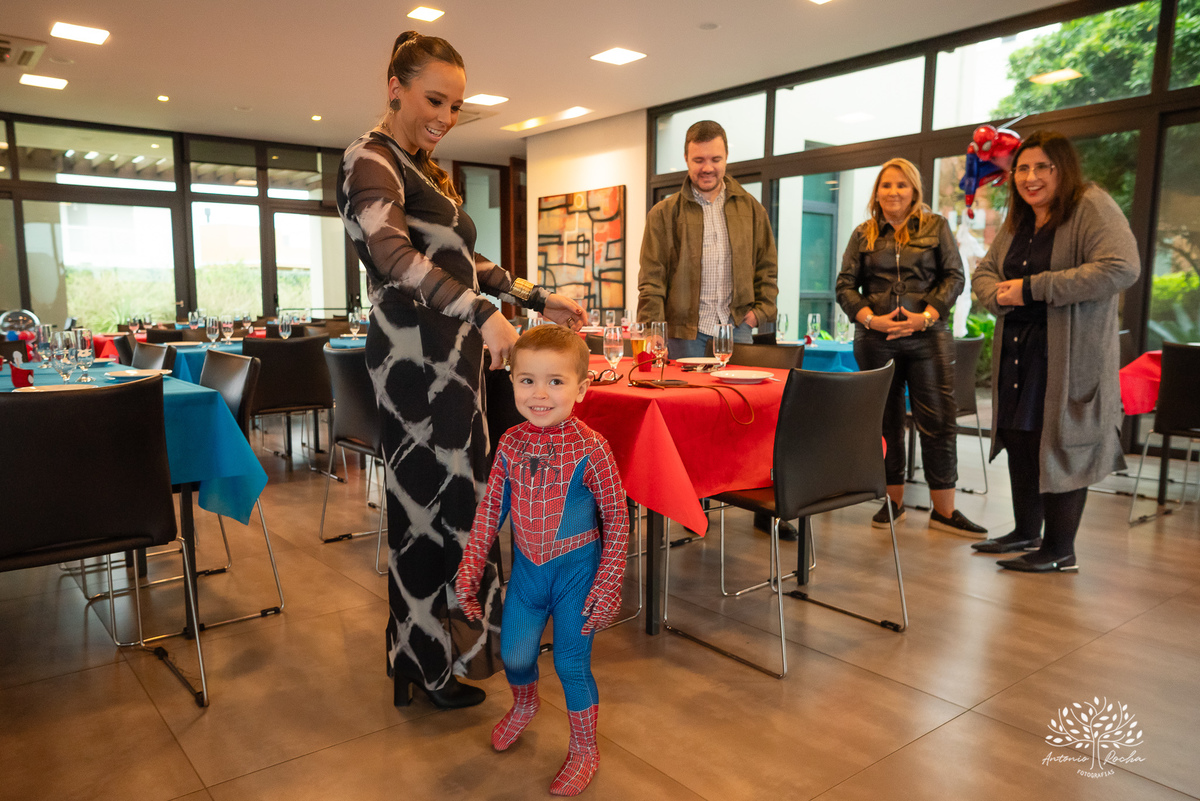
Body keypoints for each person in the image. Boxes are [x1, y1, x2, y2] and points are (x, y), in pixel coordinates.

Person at [336, 31, 585, 710]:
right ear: (395, 87)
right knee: (421, 509)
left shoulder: (430, 169)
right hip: (413, 357)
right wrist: (482, 314)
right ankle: (422, 659)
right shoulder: (370, 157)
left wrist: (536, 299)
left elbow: (462, 261)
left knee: (464, 509)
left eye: (456, 105)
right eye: (434, 99)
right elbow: (392, 254)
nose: (446, 117)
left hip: (457, 359)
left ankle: (449, 649)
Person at [456, 326, 629, 796]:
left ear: (582, 387)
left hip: (579, 576)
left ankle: (585, 749)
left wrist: (608, 583)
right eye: (526, 380)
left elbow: (617, 515)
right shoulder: (511, 443)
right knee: (514, 654)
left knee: (572, 666)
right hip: (530, 575)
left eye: (555, 381)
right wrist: (470, 571)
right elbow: (492, 508)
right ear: (511, 382)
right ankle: (525, 704)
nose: (539, 393)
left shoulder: (593, 449)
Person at [971, 131, 1139, 572]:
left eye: (1041, 167)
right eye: (1022, 168)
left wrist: (1032, 289)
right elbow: (986, 273)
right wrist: (996, 294)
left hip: (1067, 352)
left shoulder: (1090, 204)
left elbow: (1122, 267)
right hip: (1017, 350)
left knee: (1063, 441)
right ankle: (1027, 531)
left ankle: (1060, 549)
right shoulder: (1020, 219)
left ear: (1062, 169)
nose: (1030, 177)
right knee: (1022, 437)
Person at [835, 157, 987, 537]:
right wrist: (871, 318)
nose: (894, 192)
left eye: (901, 185)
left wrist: (928, 315)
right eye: (886, 185)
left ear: (914, 190)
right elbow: (844, 286)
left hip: (928, 336)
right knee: (885, 423)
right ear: (877, 192)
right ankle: (893, 504)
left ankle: (945, 512)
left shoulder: (936, 227)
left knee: (938, 420)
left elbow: (954, 276)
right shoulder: (863, 233)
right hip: (875, 338)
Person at [637, 120, 779, 359]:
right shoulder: (663, 214)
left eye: (715, 159)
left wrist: (760, 312)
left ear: (726, 158)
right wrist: (653, 327)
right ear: (686, 159)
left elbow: (767, 267)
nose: (707, 168)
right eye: (699, 160)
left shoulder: (753, 210)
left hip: (737, 329)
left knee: (737, 397)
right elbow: (652, 278)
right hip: (682, 335)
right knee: (687, 397)